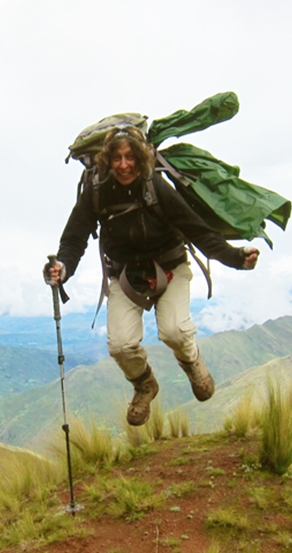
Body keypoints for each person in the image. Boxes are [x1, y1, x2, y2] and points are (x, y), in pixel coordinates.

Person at [44, 126, 259, 426]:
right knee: (120, 345)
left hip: (170, 268)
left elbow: (198, 230)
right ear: (106, 160)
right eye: (116, 158)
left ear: (141, 158)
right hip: (125, 276)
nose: (123, 165)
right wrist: (62, 268)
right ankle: (145, 384)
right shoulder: (97, 191)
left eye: (130, 157)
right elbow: (74, 238)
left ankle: (192, 362)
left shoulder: (156, 186)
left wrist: (236, 258)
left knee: (174, 332)